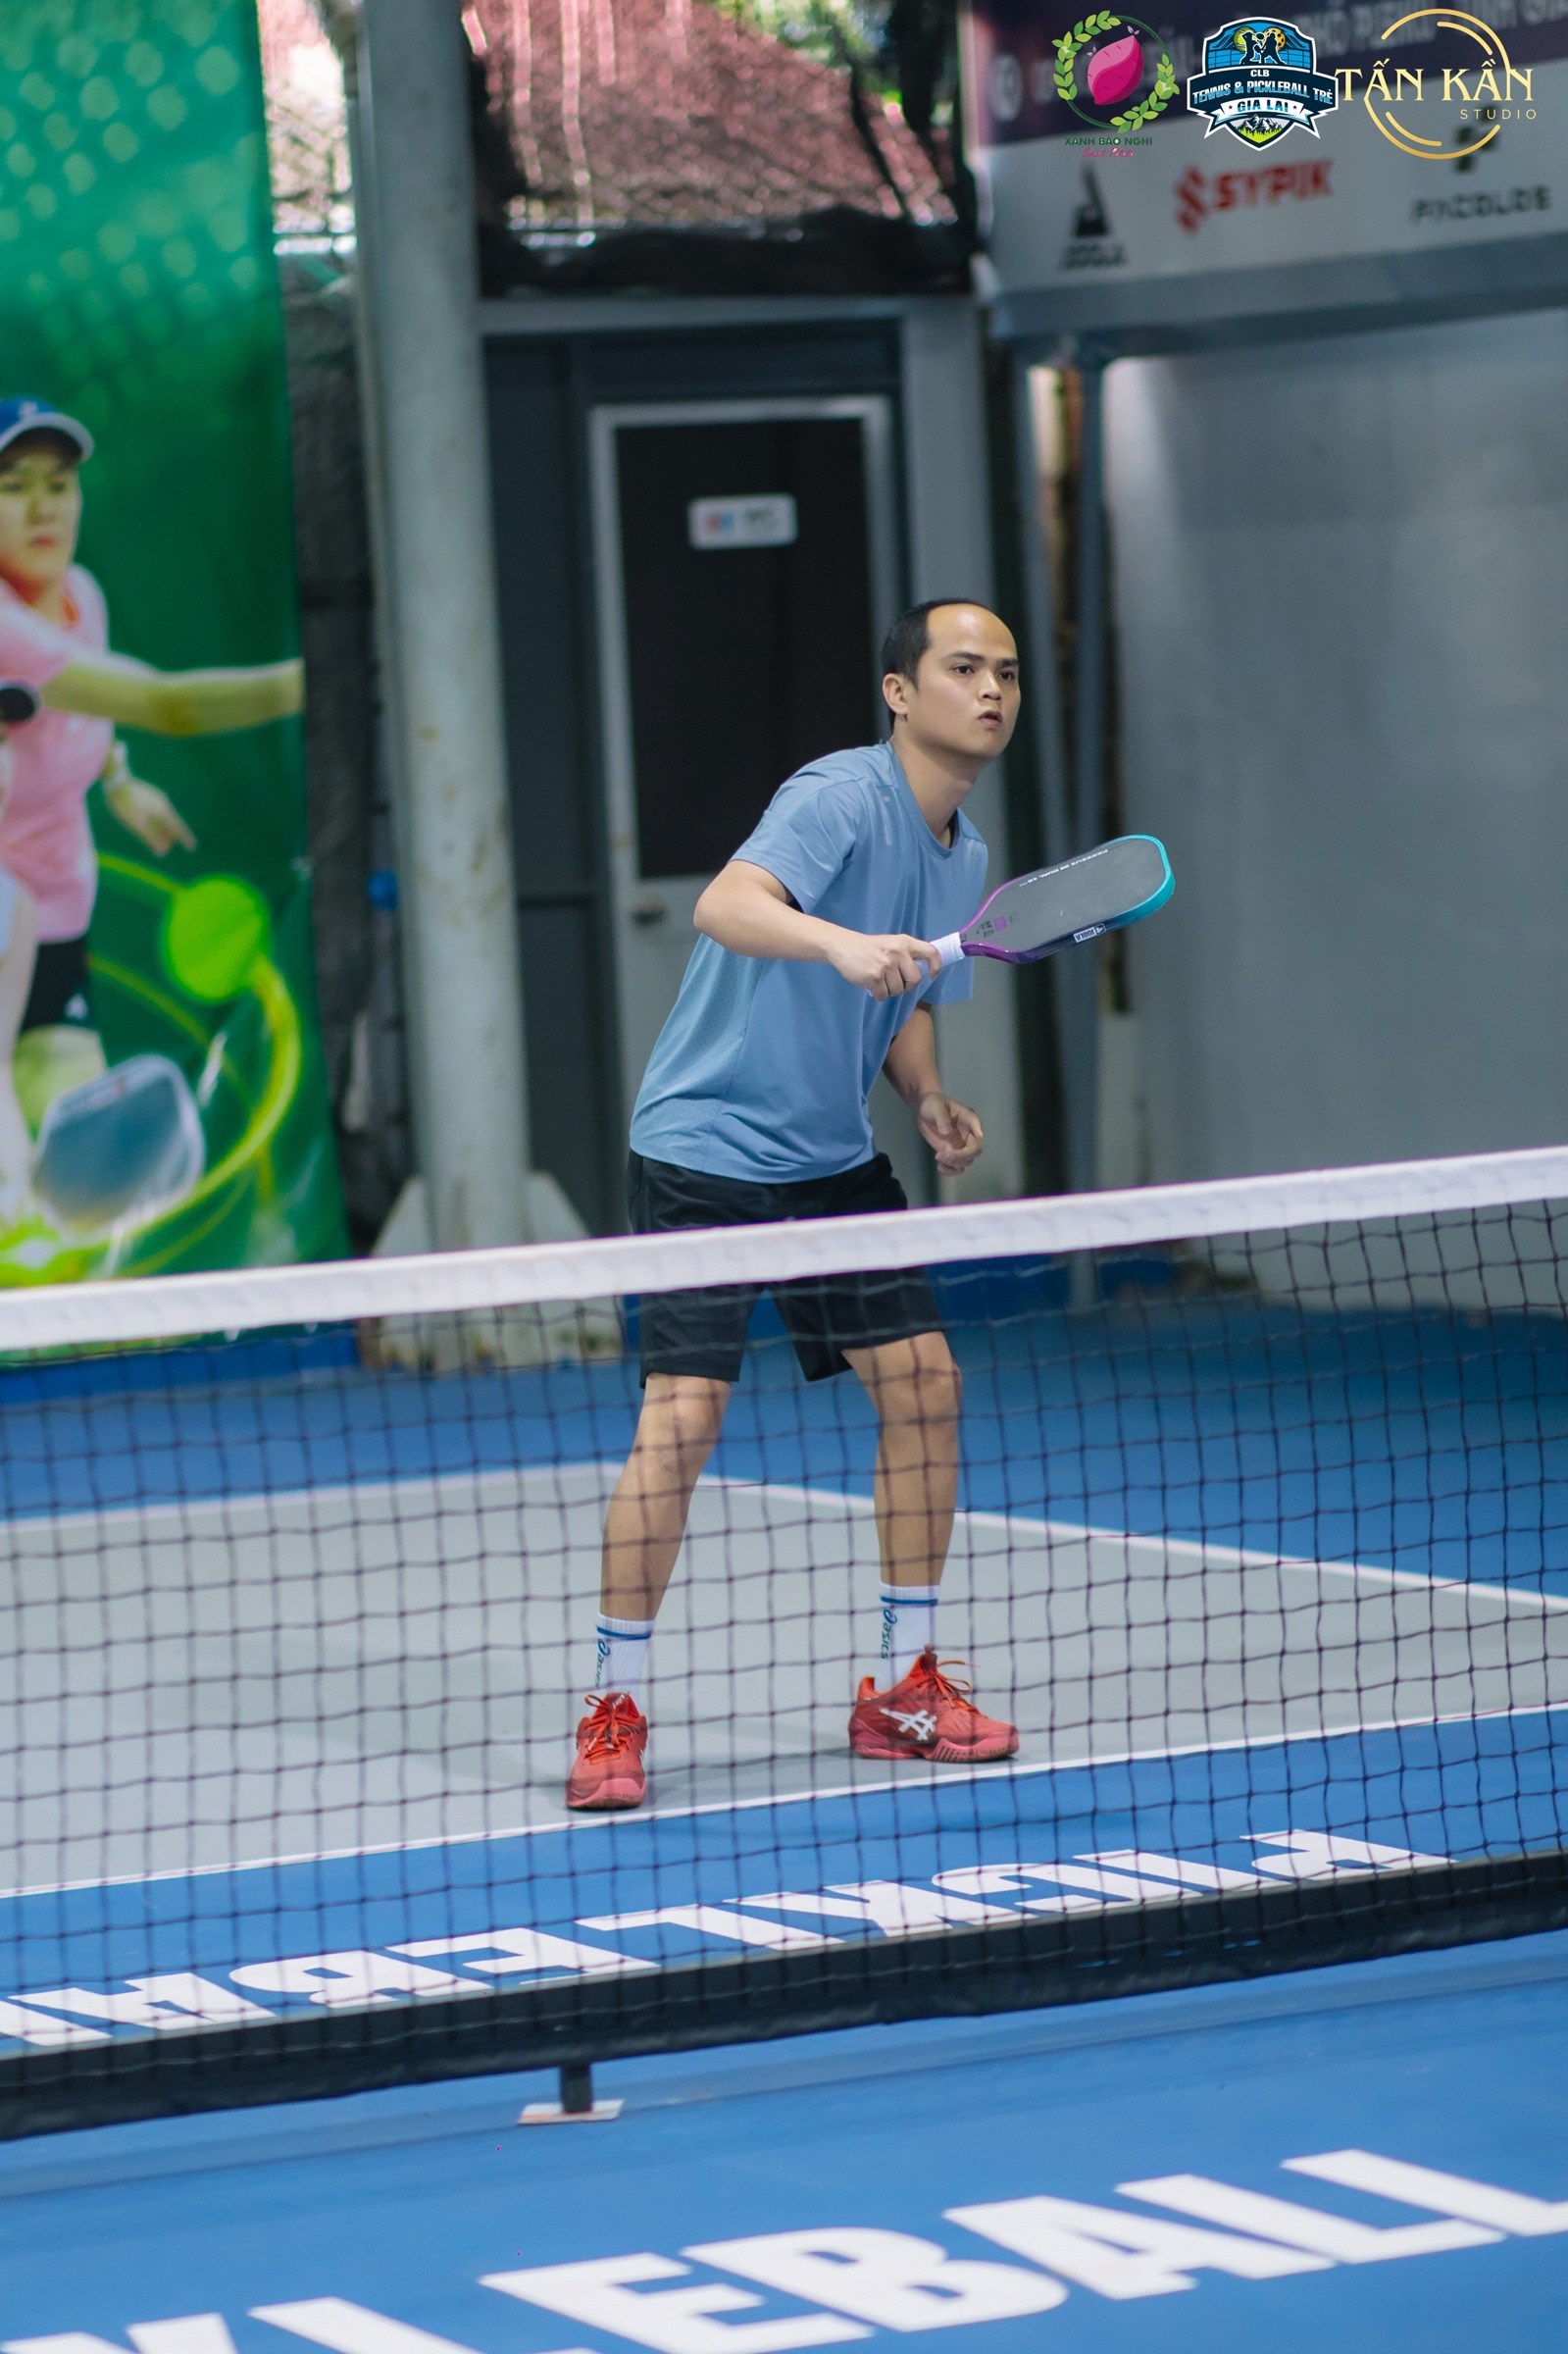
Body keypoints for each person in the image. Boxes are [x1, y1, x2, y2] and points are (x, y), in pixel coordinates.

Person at [567, 598, 1024, 1812]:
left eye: (1006, 672)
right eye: (963, 667)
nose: (991, 690)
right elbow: (726, 904)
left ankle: (903, 1687)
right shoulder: (838, 795)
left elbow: (905, 998)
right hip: (705, 1150)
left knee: (926, 1385)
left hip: (831, 1161)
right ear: (899, 692)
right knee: (683, 1420)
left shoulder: (963, 855)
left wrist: (925, 1095)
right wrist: (836, 944)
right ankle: (613, 1707)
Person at [0, 396, 303, 1202]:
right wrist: (301, 684)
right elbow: (165, 704)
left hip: (57, 914)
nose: (42, 508)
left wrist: (119, 778)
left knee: (70, 1125)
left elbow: (85, 704)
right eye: (14, 486)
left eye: (58, 484)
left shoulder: (81, 595)